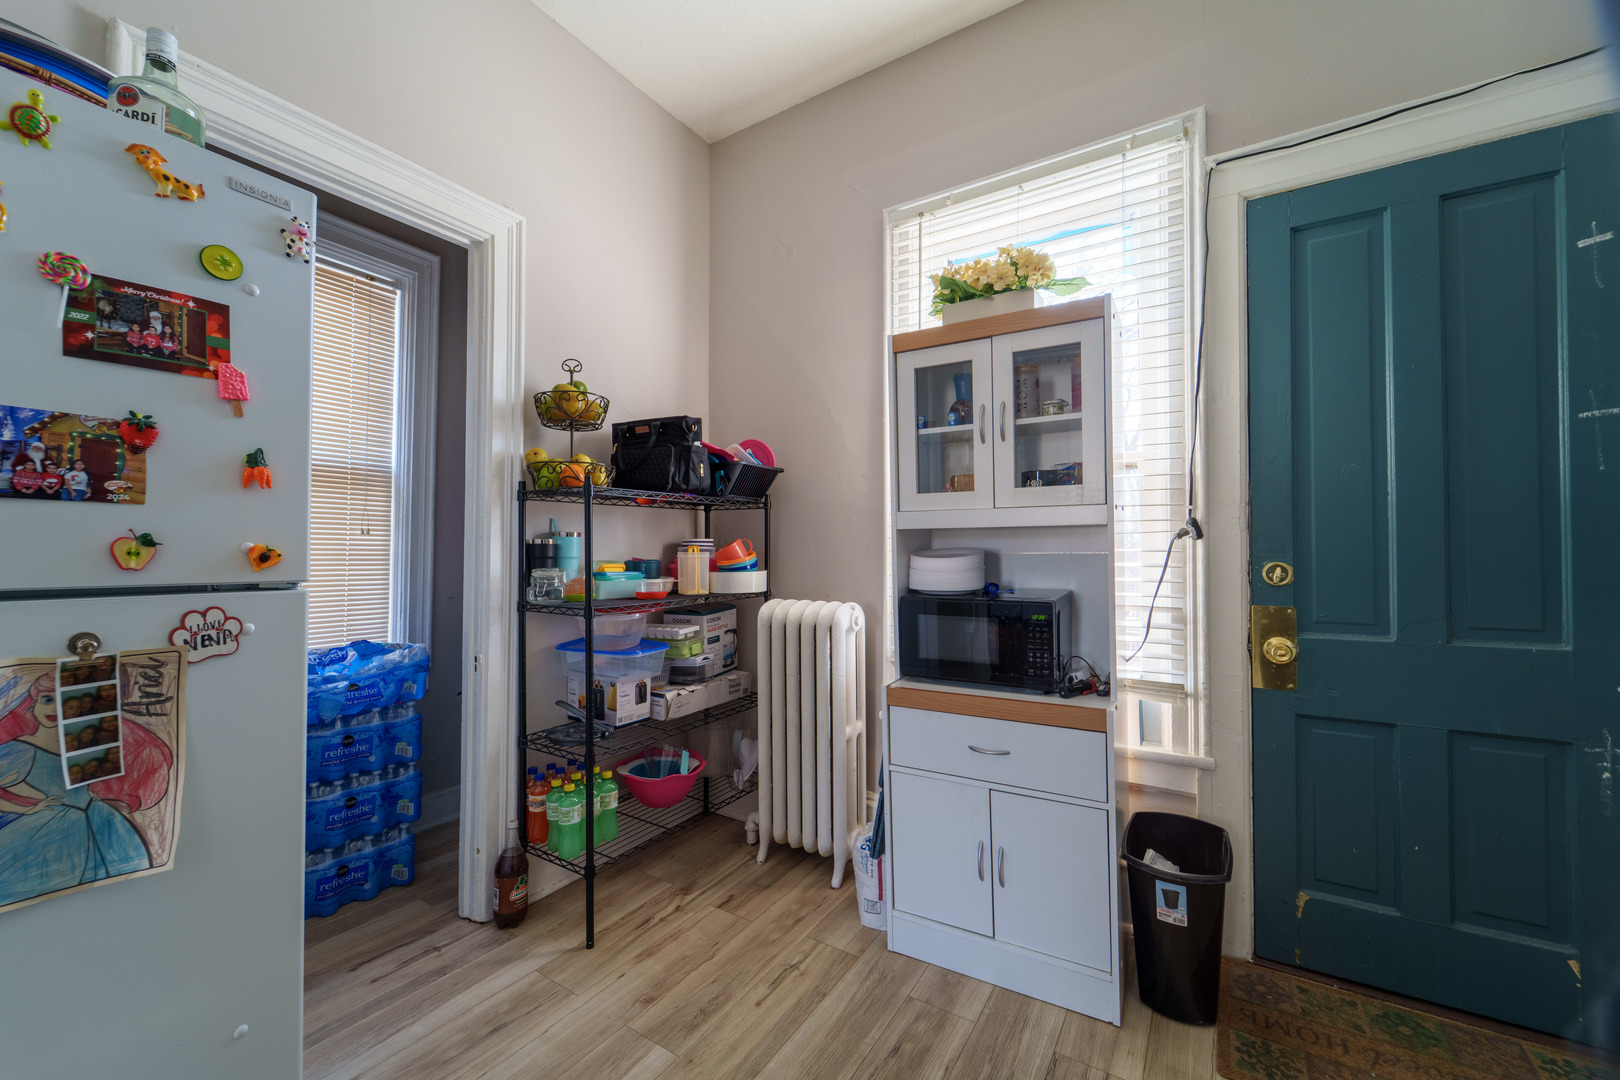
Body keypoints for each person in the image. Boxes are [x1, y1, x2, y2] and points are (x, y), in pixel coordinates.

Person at [0, 667, 171, 908]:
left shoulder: (86, 745)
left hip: (101, 821)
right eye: (47, 699)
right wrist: (26, 809)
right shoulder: (21, 748)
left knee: (117, 896)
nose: (54, 709)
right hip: (49, 831)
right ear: (34, 702)